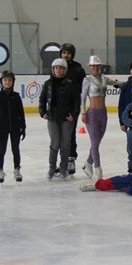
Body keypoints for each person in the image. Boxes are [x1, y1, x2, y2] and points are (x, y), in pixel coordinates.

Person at [39, 58, 80, 180]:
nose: (58, 70)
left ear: (65, 70)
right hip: (52, 118)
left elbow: (76, 102)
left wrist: (73, 114)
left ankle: (63, 168)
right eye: (56, 68)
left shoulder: (70, 84)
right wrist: (43, 112)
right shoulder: (47, 84)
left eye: (61, 68)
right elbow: (42, 99)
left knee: (66, 145)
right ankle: (52, 168)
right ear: (53, 69)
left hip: (66, 119)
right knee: (54, 144)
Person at [80, 55, 120, 180]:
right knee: (95, 142)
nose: (96, 68)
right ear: (90, 67)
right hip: (92, 114)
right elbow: (83, 97)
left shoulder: (104, 79)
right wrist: (83, 113)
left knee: (96, 143)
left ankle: (88, 163)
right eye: (93, 66)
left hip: (103, 113)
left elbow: (117, 83)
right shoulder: (87, 80)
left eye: (98, 65)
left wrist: (131, 81)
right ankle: (98, 170)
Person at [60, 42, 86, 175]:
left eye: (68, 53)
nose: (66, 55)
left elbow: (84, 87)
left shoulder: (78, 69)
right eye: (64, 52)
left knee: (70, 134)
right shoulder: (57, 66)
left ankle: (71, 159)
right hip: (59, 107)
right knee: (59, 135)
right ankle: (62, 161)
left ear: (72, 55)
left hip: (72, 106)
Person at [0, 70, 26, 183]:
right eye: (5, 80)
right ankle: (0, 170)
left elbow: (21, 113)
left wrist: (23, 127)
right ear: (1, 82)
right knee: (1, 150)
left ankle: (17, 170)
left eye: (10, 80)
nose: (7, 82)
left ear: (13, 82)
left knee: (16, 149)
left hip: (15, 128)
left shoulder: (16, 96)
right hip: (2, 128)